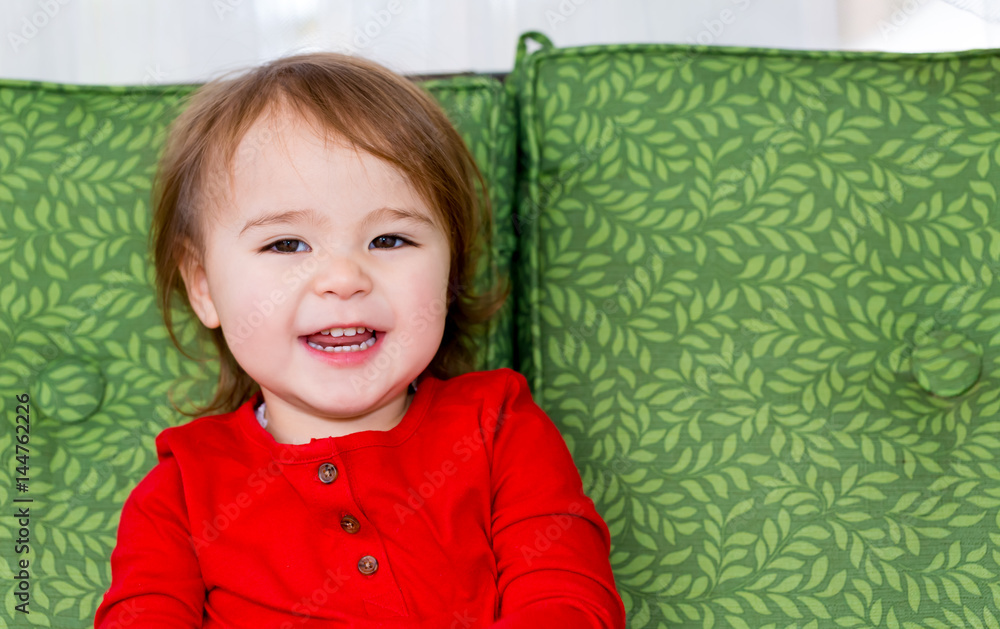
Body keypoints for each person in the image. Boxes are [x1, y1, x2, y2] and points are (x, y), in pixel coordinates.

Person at [93, 52, 625, 628]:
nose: (344, 279)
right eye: (287, 245)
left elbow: (568, 599)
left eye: (391, 240)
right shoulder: (183, 488)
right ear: (203, 287)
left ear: (450, 274)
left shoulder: (498, 429)